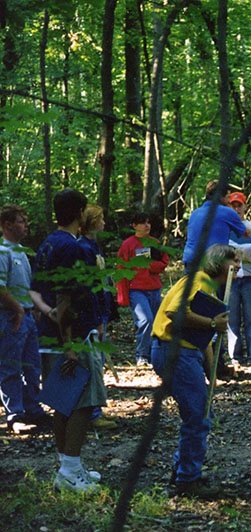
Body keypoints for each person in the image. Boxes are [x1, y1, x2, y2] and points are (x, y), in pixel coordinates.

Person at [150, 244, 239, 498]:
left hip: (186, 353)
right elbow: (174, 312)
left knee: (200, 411)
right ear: (220, 262)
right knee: (198, 415)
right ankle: (188, 479)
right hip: (174, 351)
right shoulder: (199, 280)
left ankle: (183, 470)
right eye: (234, 261)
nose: (238, 266)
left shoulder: (209, 287)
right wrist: (212, 322)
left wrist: (212, 370)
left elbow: (204, 337)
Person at [33, 189, 106, 493]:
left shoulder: (48, 244)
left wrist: (47, 314)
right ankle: (70, 469)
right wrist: (70, 345)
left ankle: (68, 466)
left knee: (64, 403)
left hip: (53, 334)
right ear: (78, 212)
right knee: (83, 403)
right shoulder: (71, 247)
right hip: (72, 337)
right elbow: (65, 297)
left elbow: (36, 290)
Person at [0, 205, 50, 433]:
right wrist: (18, 310)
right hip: (10, 317)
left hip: (27, 318)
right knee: (10, 366)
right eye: (21, 221)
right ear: (7, 225)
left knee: (32, 365)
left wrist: (38, 309)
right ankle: (15, 415)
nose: (26, 225)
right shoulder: (3, 251)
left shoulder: (21, 251)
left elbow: (26, 287)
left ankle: (33, 408)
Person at [78, 205, 117, 430]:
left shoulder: (94, 246)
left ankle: (93, 411)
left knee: (98, 361)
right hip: (93, 314)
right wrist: (96, 319)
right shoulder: (83, 247)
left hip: (100, 311)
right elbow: (90, 286)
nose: (104, 222)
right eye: (101, 218)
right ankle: (92, 413)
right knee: (93, 363)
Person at [117, 212, 169, 367]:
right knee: (145, 321)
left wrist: (150, 265)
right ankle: (142, 355)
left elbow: (163, 262)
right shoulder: (128, 245)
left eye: (148, 222)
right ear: (134, 226)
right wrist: (122, 296)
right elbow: (121, 270)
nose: (147, 225)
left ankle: (156, 356)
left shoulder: (155, 243)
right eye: (142, 223)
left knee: (157, 323)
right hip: (137, 290)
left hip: (154, 289)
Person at [182, 180, 250, 273]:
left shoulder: (195, 213)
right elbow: (246, 234)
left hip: (191, 262)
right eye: (228, 197)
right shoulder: (227, 212)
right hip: (212, 264)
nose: (229, 201)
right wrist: (231, 210)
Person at [226, 191, 251, 366]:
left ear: (246, 206)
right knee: (232, 318)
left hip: (250, 277)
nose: (237, 209)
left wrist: (240, 251)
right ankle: (235, 356)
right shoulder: (226, 228)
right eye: (233, 205)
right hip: (230, 279)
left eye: (240, 205)